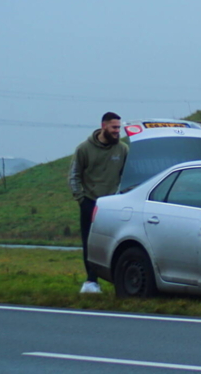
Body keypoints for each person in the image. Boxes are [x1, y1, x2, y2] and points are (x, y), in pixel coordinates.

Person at [69, 112, 129, 294]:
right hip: (90, 202)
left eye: (119, 128)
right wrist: (81, 200)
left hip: (112, 204)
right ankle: (91, 282)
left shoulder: (123, 149)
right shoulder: (84, 149)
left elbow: (126, 176)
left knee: (116, 242)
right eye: (114, 128)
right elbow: (74, 175)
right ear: (104, 126)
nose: (117, 131)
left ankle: (118, 281)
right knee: (90, 243)